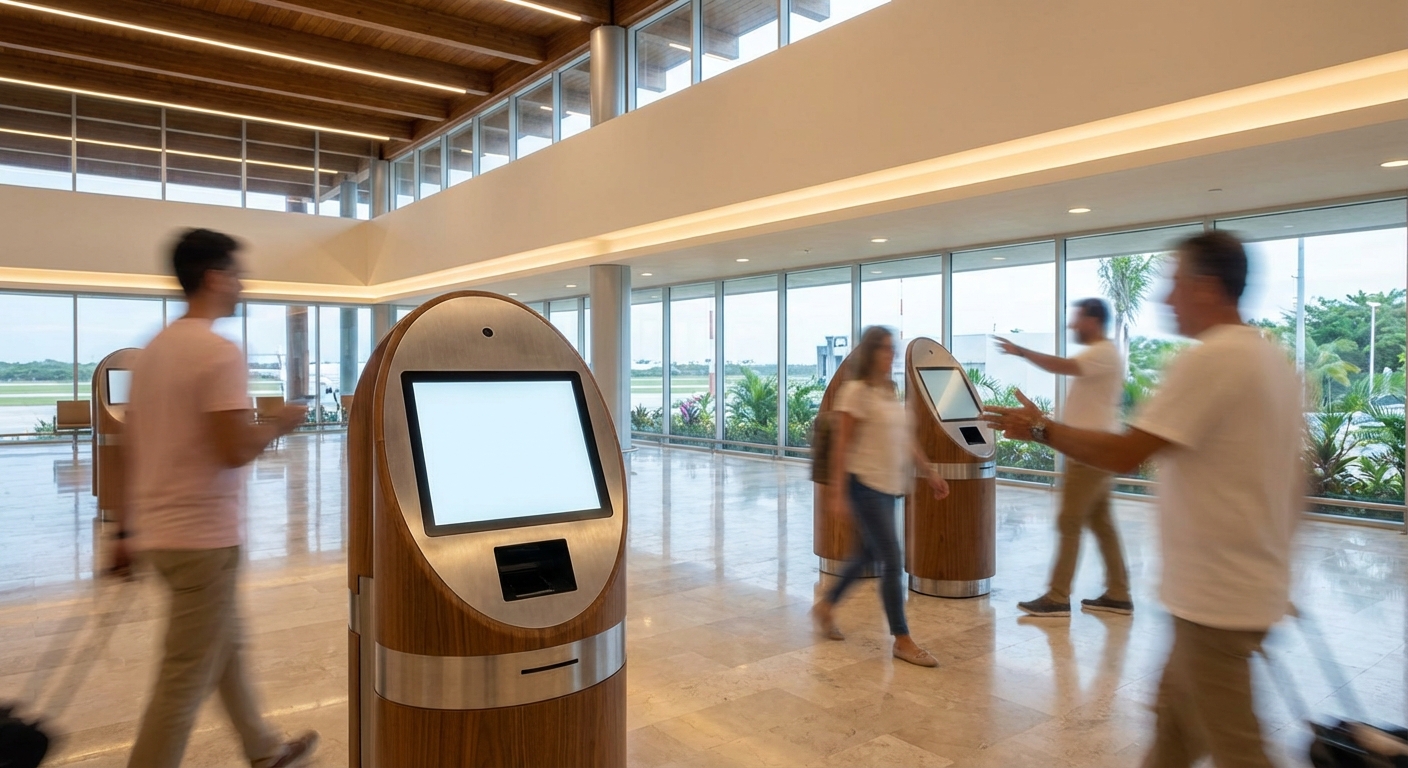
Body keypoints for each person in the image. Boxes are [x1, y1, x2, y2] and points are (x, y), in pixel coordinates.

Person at [983, 232, 1303, 768]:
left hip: (1217, 599)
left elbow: (1131, 451)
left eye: (1173, 283)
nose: (1164, 298)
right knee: (1174, 728)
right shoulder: (1273, 361)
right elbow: (1293, 483)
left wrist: (1039, 429)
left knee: (1238, 748)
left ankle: (1067, 593)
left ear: (1205, 286)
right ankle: (1113, 590)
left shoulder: (1213, 359)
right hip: (1236, 590)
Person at [112, 229, 318, 768]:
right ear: (214, 278)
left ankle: (264, 749)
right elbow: (234, 450)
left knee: (225, 649)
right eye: (236, 272)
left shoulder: (153, 352)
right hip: (203, 539)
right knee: (183, 680)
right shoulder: (217, 351)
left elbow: (132, 446)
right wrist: (279, 421)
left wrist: (124, 530)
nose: (243, 283)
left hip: (162, 535)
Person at [811, 326, 951, 668]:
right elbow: (842, 445)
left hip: (889, 486)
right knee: (892, 559)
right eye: (885, 349)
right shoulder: (854, 392)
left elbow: (905, 438)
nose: (891, 355)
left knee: (865, 555)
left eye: (892, 349)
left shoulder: (889, 391)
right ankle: (902, 639)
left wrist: (930, 472)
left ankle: (826, 606)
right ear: (870, 353)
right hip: (865, 486)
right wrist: (838, 492)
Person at [994, 297, 1132, 617]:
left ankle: (1058, 597)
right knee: (1102, 524)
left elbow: (1063, 366)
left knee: (1069, 521)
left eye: (1078, 318)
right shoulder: (1105, 354)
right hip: (1095, 450)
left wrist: (1022, 351)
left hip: (1090, 453)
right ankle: (1119, 592)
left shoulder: (1102, 353)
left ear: (1094, 321)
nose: (1072, 325)